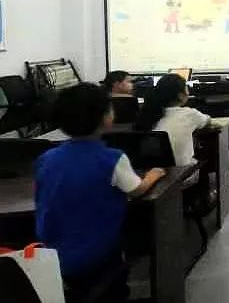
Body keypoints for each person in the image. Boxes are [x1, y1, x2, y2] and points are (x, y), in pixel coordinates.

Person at [35, 83, 165, 301]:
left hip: (51, 254)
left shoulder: (46, 158)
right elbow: (137, 190)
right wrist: (154, 175)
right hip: (98, 254)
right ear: (105, 117)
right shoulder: (111, 158)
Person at [136, 74, 211, 166]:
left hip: (154, 170)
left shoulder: (150, 115)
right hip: (181, 170)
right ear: (180, 95)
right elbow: (207, 121)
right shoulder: (190, 114)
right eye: (186, 88)